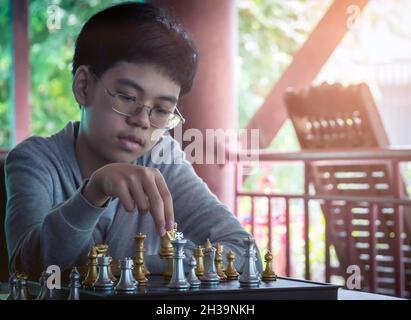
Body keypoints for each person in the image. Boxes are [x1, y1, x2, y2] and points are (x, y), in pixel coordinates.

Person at [5, 2, 261, 279]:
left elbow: (246, 254)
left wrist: (135, 267)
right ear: (84, 86)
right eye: (127, 98)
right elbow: (26, 271)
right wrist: (94, 192)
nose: (142, 120)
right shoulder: (35, 160)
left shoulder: (162, 159)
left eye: (161, 110)